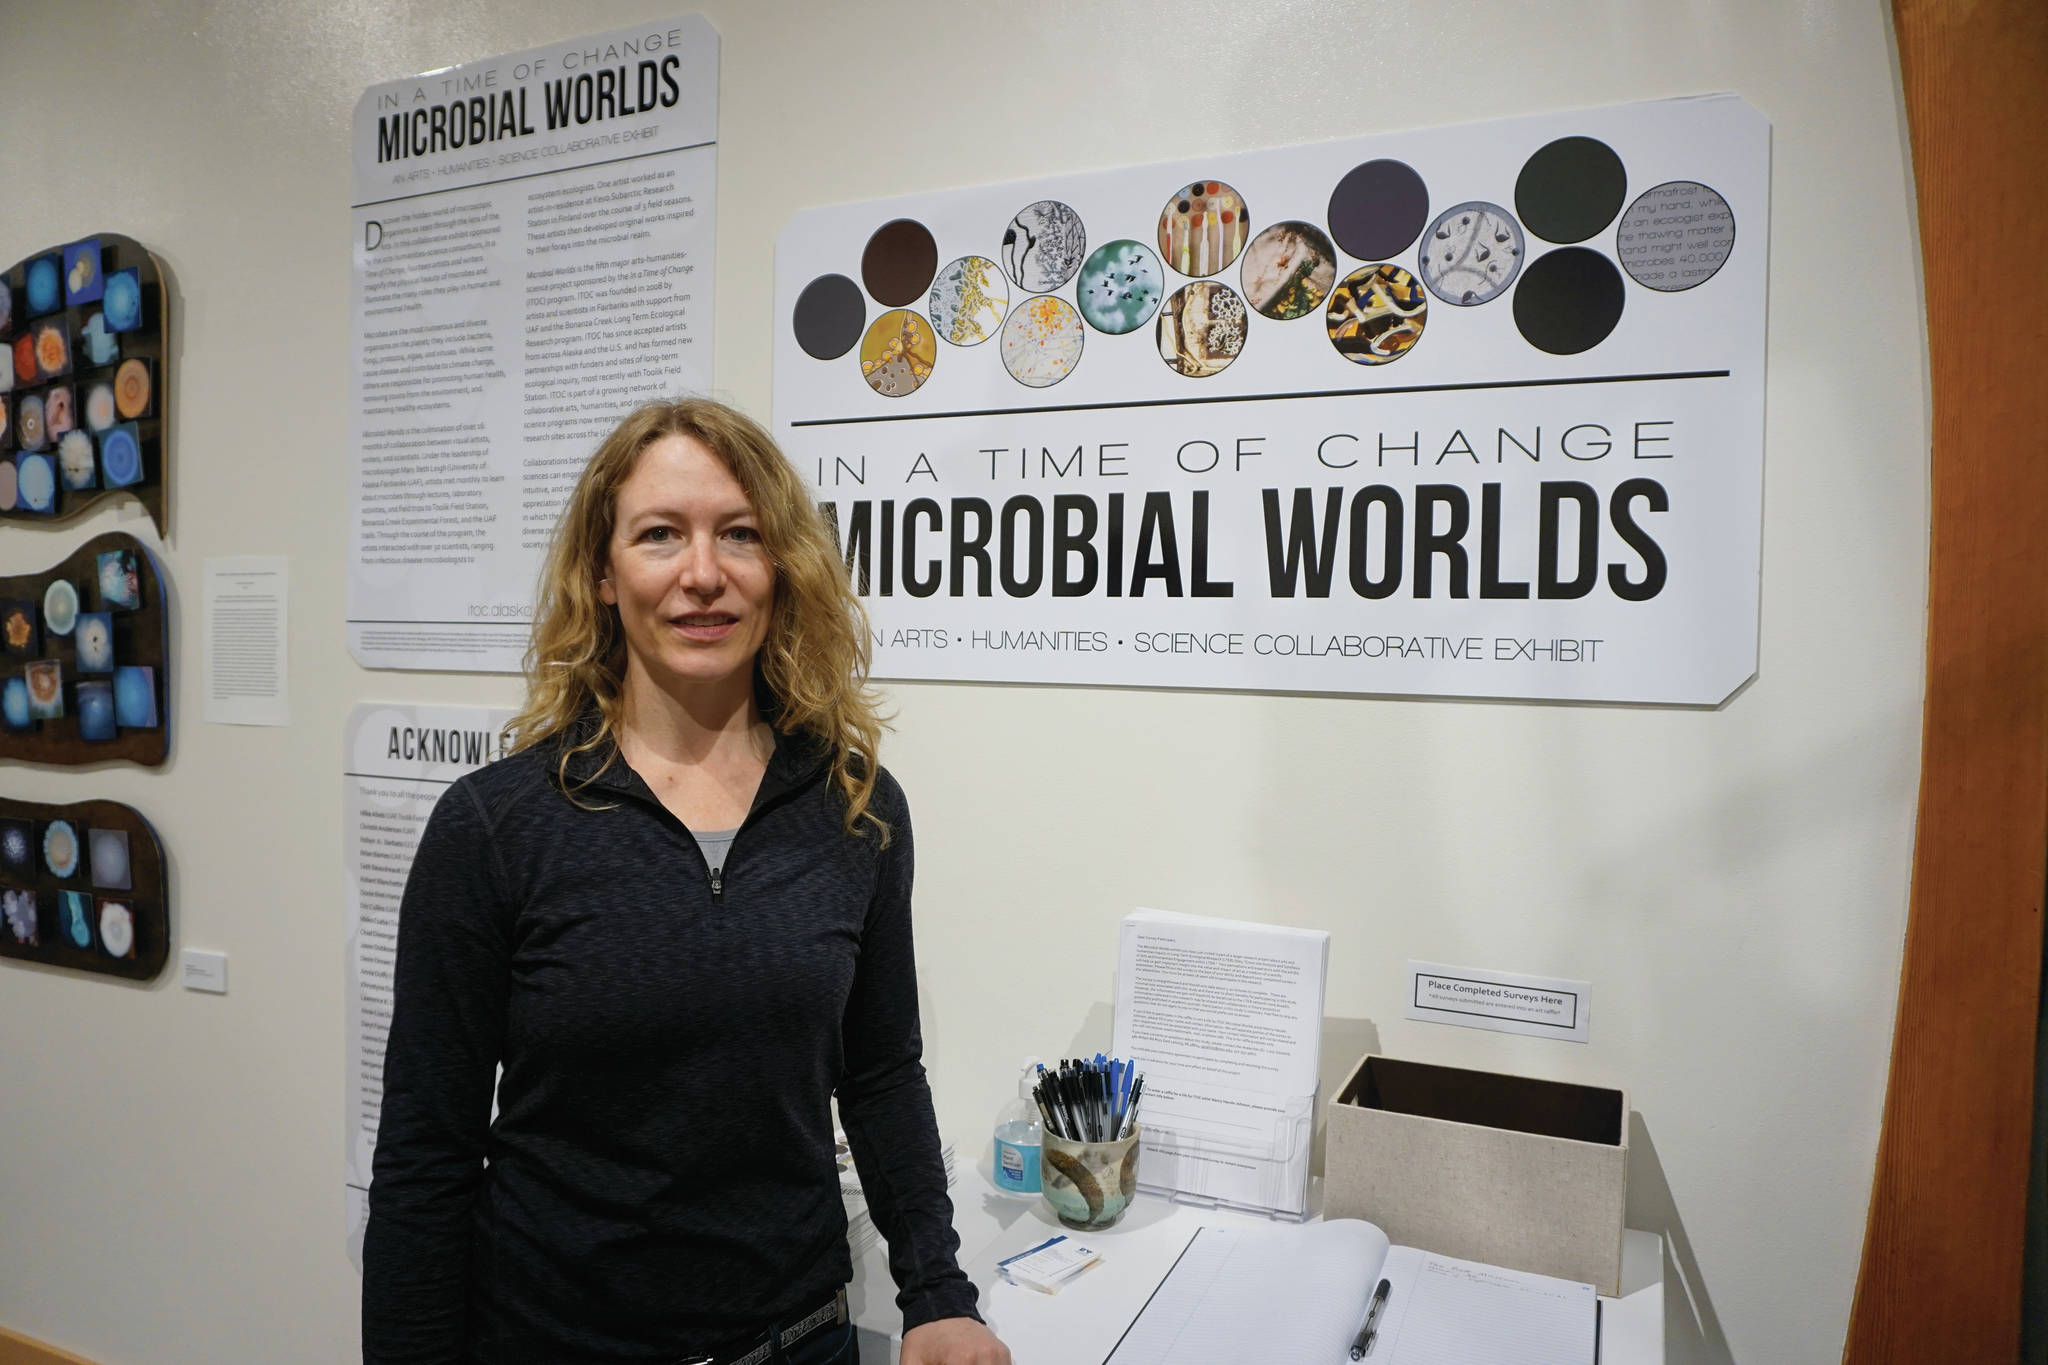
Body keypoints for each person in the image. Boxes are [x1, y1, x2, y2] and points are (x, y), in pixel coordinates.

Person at [363, 399, 1010, 1365]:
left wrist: (939, 1293)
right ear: (603, 571)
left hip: (798, 1343)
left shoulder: (857, 809)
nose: (702, 574)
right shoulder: (496, 826)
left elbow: (879, 1072)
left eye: (739, 535)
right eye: (660, 534)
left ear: (782, 567)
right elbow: (427, 1152)